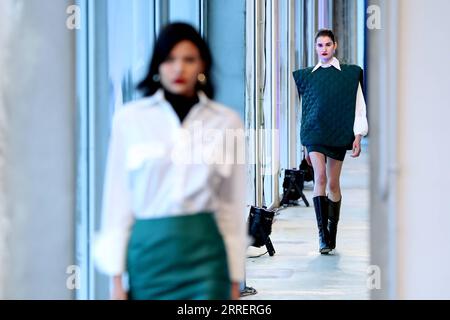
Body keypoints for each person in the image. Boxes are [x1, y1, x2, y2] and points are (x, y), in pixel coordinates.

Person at [93, 22, 247, 300]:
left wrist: (235, 281)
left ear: (202, 65)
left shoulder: (227, 122)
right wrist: (116, 282)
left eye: (189, 59)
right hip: (148, 258)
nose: (179, 69)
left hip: (206, 259)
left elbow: (231, 207)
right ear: (157, 65)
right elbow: (118, 202)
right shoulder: (130, 120)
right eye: (169, 59)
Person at [292, 29, 368, 254]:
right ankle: (322, 236)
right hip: (314, 132)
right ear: (315, 48)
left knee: (333, 184)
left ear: (335, 46)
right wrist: (304, 143)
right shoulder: (306, 76)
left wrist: (358, 135)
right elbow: (304, 111)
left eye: (327, 44)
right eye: (319, 45)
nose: (323, 49)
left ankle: (331, 230)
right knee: (321, 178)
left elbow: (359, 106)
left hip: (337, 133)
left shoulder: (349, 75)